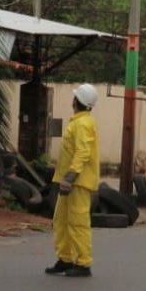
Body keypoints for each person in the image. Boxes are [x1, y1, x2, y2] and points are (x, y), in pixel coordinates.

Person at [45, 83, 100, 278]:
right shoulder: (79, 122)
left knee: (77, 222)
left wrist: (70, 177)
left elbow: (82, 153)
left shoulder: (83, 124)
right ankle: (65, 259)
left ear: (77, 101)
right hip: (70, 181)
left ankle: (83, 264)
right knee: (61, 220)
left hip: (77, 182)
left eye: (74, 96)